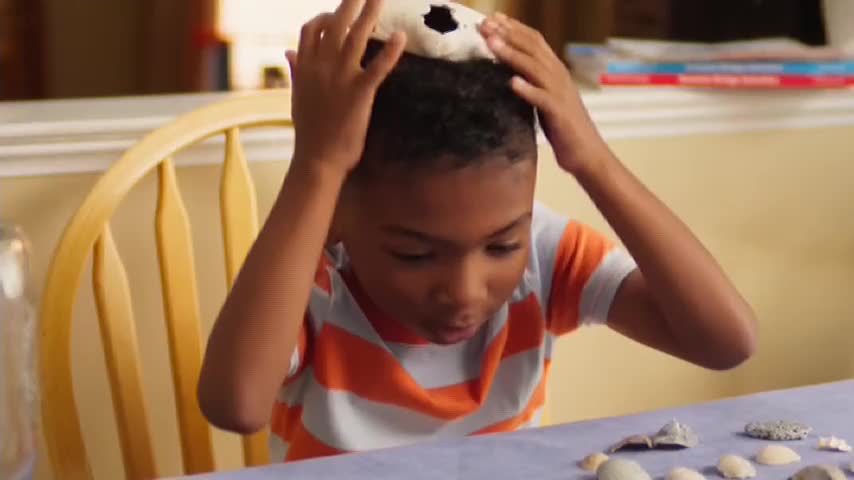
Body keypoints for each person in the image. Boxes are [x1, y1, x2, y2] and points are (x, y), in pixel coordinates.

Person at [198, 0, 757, 463]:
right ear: (338, 212)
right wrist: (316, 165)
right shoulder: (314, 276)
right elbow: (236, 404)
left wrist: (594, 160)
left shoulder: (546, 253)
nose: (465, 294)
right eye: (414, 254)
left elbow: (725, 343)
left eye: (501, 245)